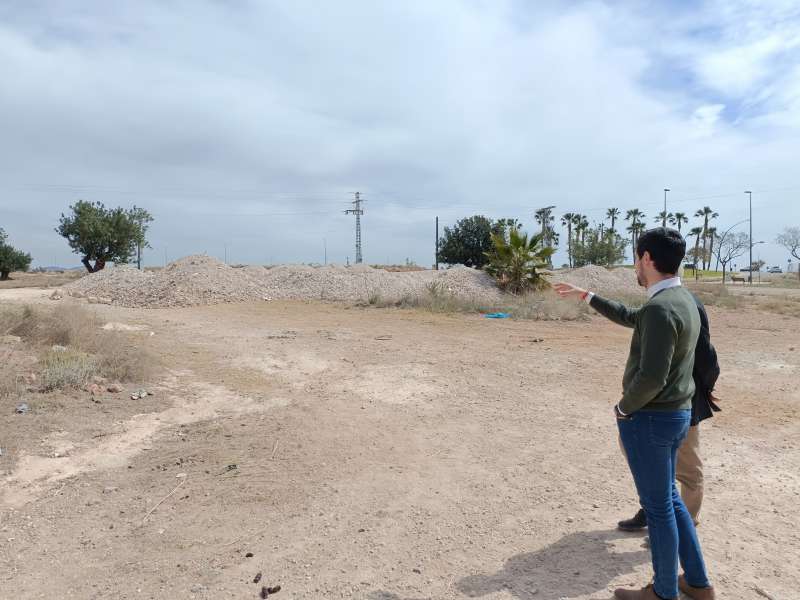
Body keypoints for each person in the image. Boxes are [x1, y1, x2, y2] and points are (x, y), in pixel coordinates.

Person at [554, 227, 715, 600]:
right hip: (676, 416)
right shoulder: (680, 299)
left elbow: (652, 377)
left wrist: (623, 408)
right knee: (671, 504)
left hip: (652, 419)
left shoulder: (661, 308)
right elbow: (634, 317)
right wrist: (589, 296)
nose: (634, 266)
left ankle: (662, 592)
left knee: (659, 511)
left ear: (646, 258)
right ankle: (697, 582)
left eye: (635, 258)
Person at [617, 293, 720, 532]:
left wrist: (702, 392)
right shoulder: (658, 301)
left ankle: (684, 527)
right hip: (651, 402)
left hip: (683, 400)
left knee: (689, 470)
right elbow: (629, 316)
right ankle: (654, 509)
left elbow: (706, 355)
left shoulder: (687, 303)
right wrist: (588, 296)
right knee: (637, 452)